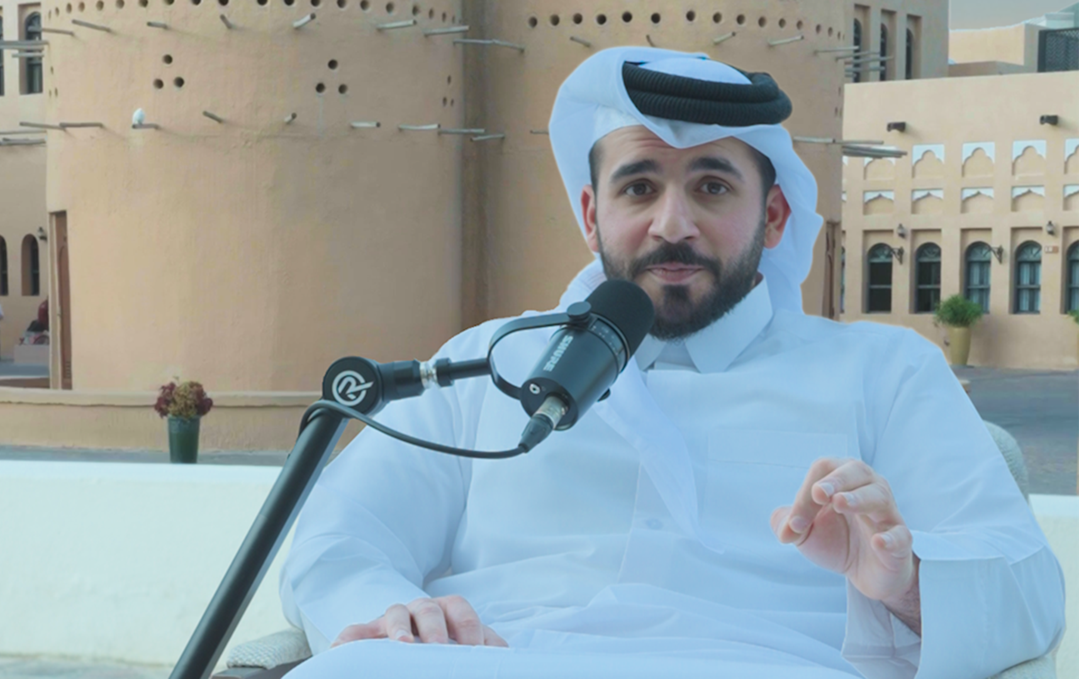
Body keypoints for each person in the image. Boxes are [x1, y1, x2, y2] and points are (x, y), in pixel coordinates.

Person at [279, 49, 1065, 679]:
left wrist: (908, 581)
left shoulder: (883, 371)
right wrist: (393, 611)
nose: (672, 223)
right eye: (639, 187)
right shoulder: (483, 362)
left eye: (712, 186)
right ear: (592, 214)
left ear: (774, 214)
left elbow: (1027, 584)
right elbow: (339, 537)